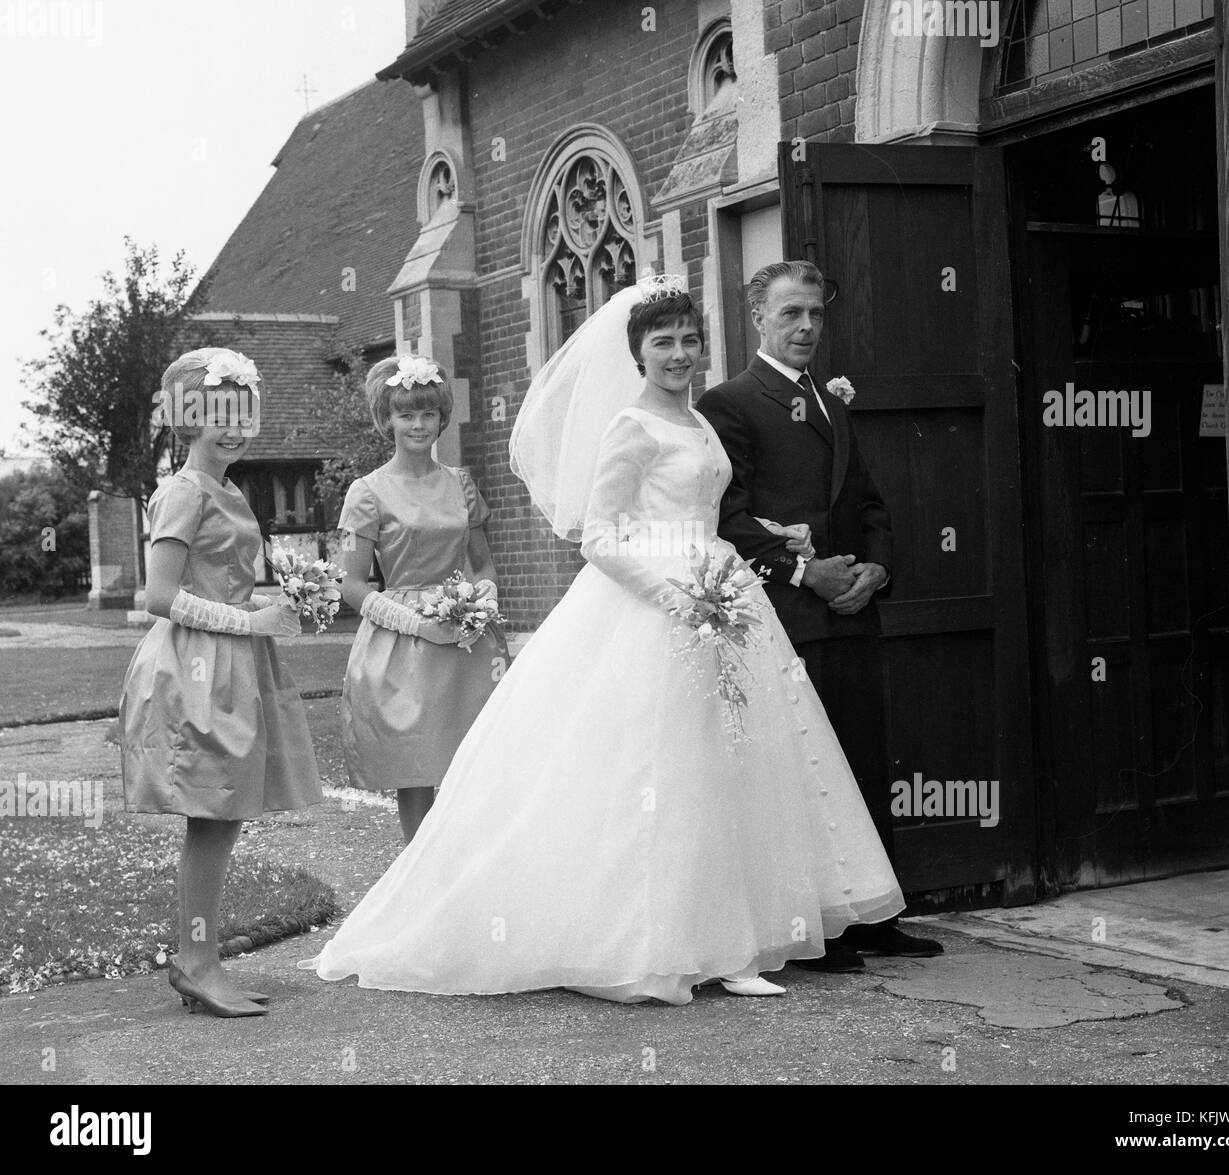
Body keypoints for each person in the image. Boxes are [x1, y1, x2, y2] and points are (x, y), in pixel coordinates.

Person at [301, 275, 903, 1005]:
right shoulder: (632, 424)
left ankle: (733, 940)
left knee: (727, 767)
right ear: (639, 354)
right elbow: (600, 535)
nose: (679, 354)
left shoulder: (701, 425)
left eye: (688, 340)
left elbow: (705, 510)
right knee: (663, 771)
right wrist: (672, 594)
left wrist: (770, 542)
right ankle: (656, 944)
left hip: (722, 594)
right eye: (663, 343)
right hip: (653, 608)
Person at [697, 259, 943, 968]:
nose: (806, 326)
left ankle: (871, 916)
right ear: (758, 319)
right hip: (786, 617)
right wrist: (806, 571)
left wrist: (876, 567)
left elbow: (868, 502)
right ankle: (812, 926)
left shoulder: (833, 402)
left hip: (852, 612)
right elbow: (729, 517)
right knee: (801, 767)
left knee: (863, 759)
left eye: (815, 313)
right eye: (790, 314)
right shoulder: (730, 404)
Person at [119, 347, 321, 1018]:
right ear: (187, 419)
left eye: (242, 413)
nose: (232, 428)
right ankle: (198, 962)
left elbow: (222, 577)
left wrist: (280, 604)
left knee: (223, 818)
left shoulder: (229, 489)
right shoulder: (182, 489)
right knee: (212, 819)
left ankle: (200, 958)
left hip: (233, 661)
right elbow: (158, 595)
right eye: (216, 415)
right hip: (196, 667)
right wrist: (250, 617)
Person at [336, 354, 506, 842]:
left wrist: (482, 600)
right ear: (386, 419)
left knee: (468, 764)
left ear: (441, 417)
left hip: (468, 639)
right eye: (406, 414)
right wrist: (418, 623)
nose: (418, 424)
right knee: (416, 766)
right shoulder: (365, 493)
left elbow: (484, 565)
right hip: (402, 643)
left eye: (427, 413)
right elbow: (351, 583)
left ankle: (463, 875)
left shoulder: (462, 484)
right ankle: (418, 879)